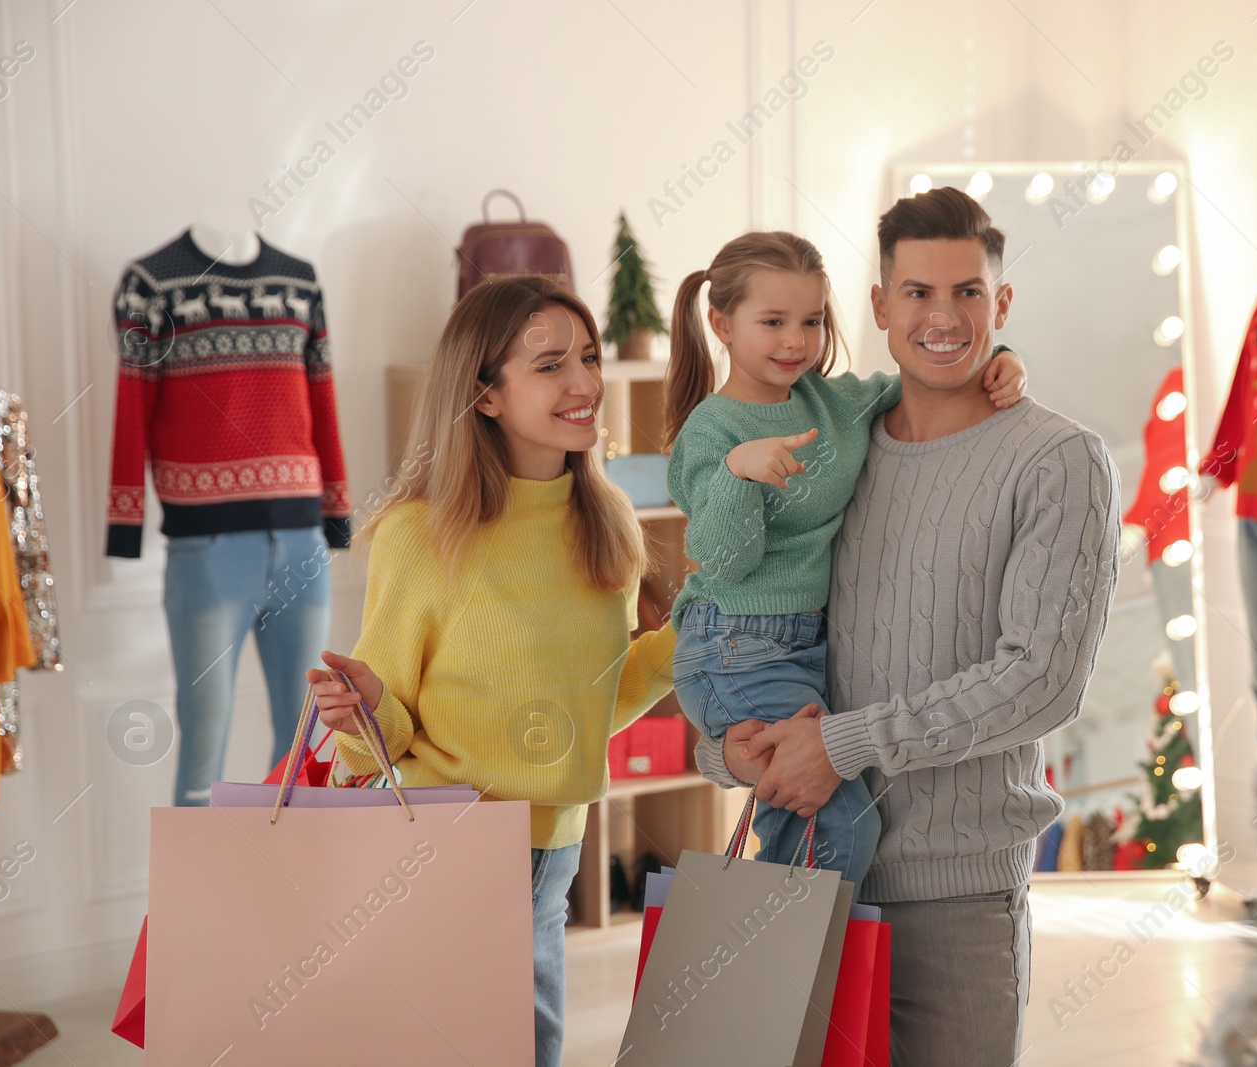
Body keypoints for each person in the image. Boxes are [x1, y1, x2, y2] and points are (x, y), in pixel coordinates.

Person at [696, 187, 1121, 1065]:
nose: (944, 316)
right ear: (882, 307)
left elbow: (1041, 679)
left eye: (969, 292)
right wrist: (726, 756)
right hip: (802, 873)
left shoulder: (1058, 460)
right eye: (918, 293)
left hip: (955, 895)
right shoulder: (829, 455)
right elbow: (740, 633)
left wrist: (843, 746)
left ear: (1002, 306)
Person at [305, 275, 675, 1067]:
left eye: (588, 357)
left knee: (525, 1045)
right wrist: (367, 705)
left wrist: (686, 643)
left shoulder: (606, 526)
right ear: (485, 395)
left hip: (554, 849)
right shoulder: (420, 535)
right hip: (445, 838)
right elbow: (381, 743)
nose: (583, 384)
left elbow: (594, 704)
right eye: (549, 365)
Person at [663, 230, 1026, 898]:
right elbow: (725, 558)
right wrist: (741, 476)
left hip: (803, 646)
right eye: (772, 322)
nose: (795, 341)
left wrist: (1001, 358)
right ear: (721, 322)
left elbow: (926, 369)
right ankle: (781, 981)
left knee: (803, 821)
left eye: (811, 320)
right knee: (839, 825)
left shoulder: (831, 402)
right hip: (735, 645)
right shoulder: (712, 432)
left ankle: (786, 985)